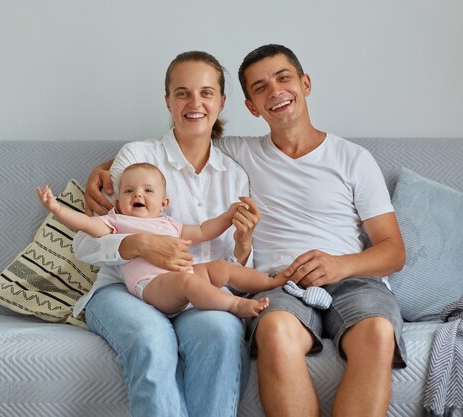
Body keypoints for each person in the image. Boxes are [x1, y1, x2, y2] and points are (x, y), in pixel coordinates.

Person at [85, 44, 408, 417]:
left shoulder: (345, 158)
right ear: (251, 106)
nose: (275, 91)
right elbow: (184, 139)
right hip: (269, 281)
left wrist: (338, 265)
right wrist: (109, 171)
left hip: (342, 278)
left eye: (284, 78)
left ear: (305, 84)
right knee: (269, 332)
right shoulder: (237, 154)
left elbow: (394, 252)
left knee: (374, 333)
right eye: (260, 88)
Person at [72, 51, 262, 417]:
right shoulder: (136, 156)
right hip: (124, 290)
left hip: (194, 292)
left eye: (206, 93)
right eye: (182, 93)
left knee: (222, 333)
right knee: (151, 338)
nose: (195, 103)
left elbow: (234, 269)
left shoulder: (234, 175)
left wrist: (243, 244)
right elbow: (85, 242)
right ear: (167, 101)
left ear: (221, 102)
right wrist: (138, 243)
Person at [38, 162, 283, 318]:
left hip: (184, 277)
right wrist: (57, 209)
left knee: (220, 268)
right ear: (118, 202)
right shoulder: (116, 221)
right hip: (151, 285)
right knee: (187, 283)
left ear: (164, 204)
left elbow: (204, 230)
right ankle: (234, 305)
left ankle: (273, 281)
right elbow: (85, 224)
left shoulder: (169, 223)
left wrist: (229, 216)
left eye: (148, 190)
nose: (137, 194)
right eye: (129, 190)